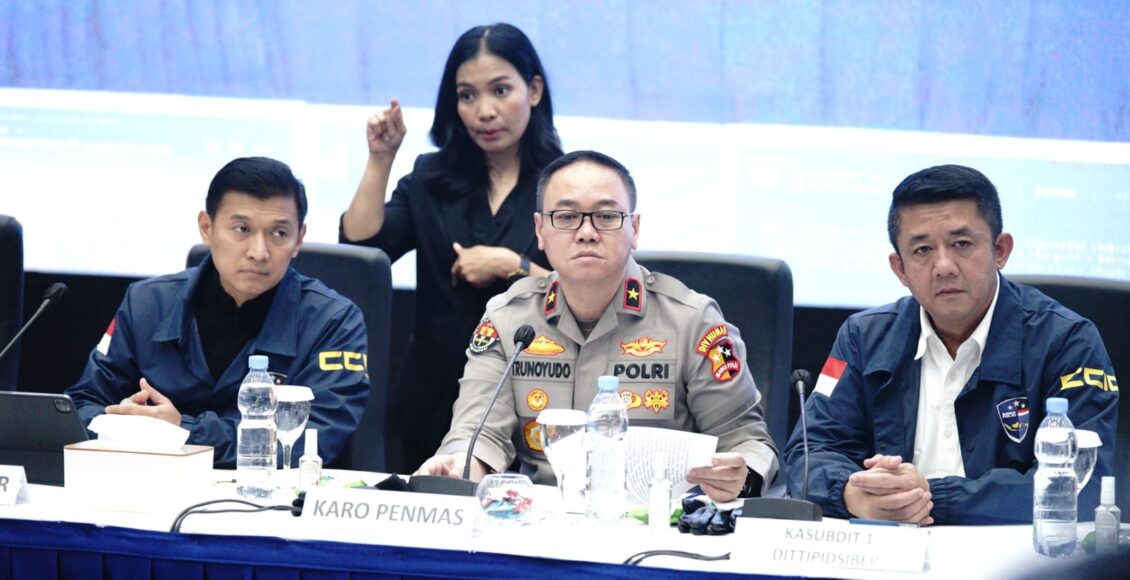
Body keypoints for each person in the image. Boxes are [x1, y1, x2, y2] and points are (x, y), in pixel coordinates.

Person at [416, 150, 778, 502]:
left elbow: (745, 440)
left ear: (634, 229)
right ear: (540, 230)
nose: (586, 232)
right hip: (540, 523)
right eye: (566, 216)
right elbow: (477, 434)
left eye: (606, 216)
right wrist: (460, 465)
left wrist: (741, 475)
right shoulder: (508, 319)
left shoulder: (692, 321)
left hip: (654, 525)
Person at [784, 164, 1118, 525]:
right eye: (922, 250)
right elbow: (808, 453)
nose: (943, 266)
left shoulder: (1067, 341)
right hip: (887, 547)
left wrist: (931, 497)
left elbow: (1081, 480)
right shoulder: (862, 338)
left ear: (1000, 250)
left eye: (961, 244)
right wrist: (851, 493)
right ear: (900, 269)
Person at [339, 23, 562, 473]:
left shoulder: (563, 183)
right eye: (467, 95)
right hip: (433, 395)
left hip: (537, 395)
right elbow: (363, 244)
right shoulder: (432, 177)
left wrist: (514, 265)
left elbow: (588, 289)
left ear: (534, 90)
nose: (484, 111)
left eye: (501, 90)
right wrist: (381, 158)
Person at [67, 157, 370, 467]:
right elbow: (83, 404)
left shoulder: (334, 322)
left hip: (270, 493)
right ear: (207, 228)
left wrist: (182, 432)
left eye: (279, 233)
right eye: (242, 229)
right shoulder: (146, 303)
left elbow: (314, 438)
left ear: (298, 239)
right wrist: (123, 423)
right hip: (151, 482)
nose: (259, 252)